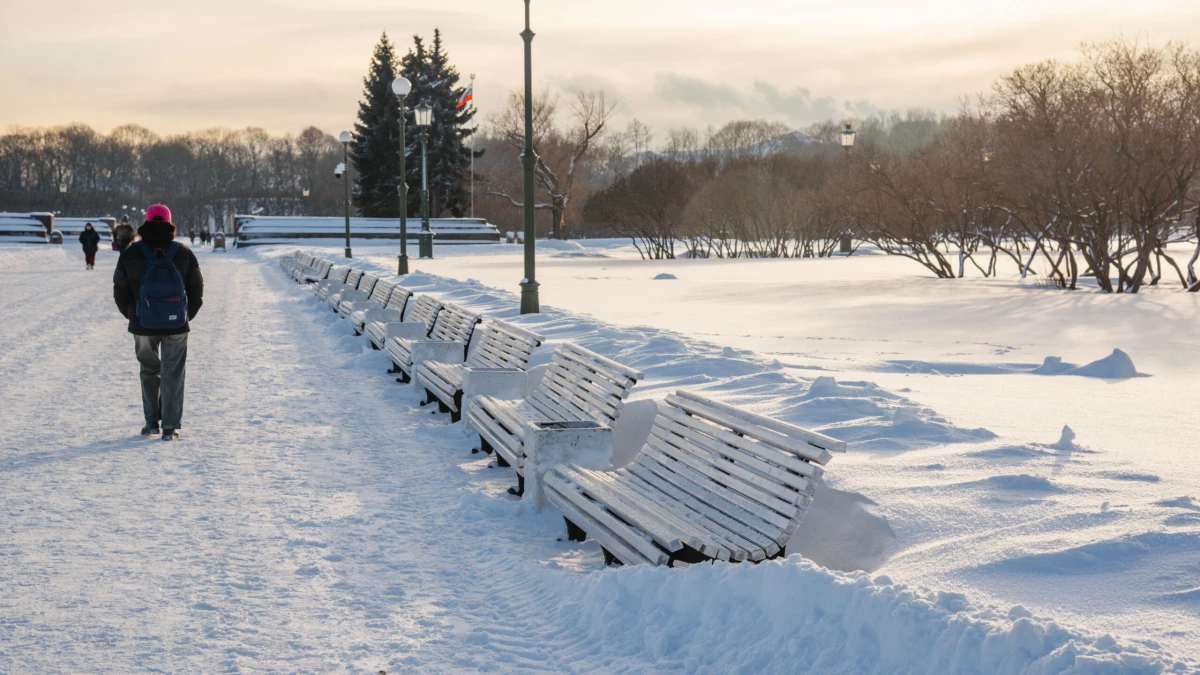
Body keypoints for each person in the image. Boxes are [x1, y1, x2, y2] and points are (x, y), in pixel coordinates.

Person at [112, 204, 204, 441]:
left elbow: (119, 291)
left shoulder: (130, 253)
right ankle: (170, 427)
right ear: (169, 223)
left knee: (149, 370)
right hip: (176, 325)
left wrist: (134, 315)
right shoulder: (182, 252)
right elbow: (197, 289)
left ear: (145, 222)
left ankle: (151, 422)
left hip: (142, 324)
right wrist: (185, 316)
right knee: (173, 372)